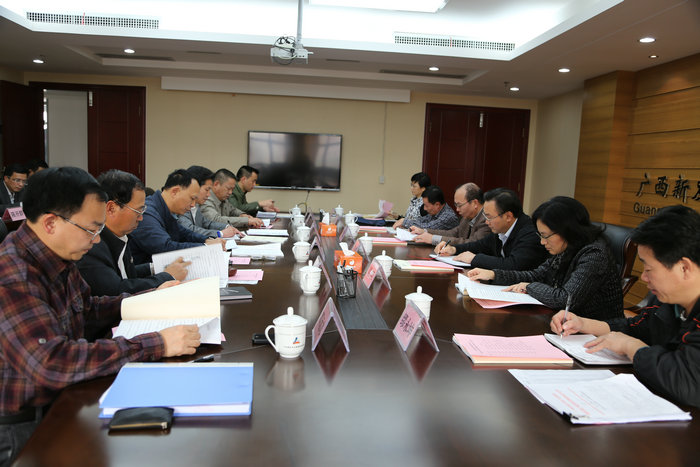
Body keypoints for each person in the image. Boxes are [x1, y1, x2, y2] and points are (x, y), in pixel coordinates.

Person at [0, 167, 200, 465]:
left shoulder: (57, 255)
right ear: (51, 223)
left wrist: (150, 300)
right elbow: (53, 362)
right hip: (25, 426)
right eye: (91, 229)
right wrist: (158, 343)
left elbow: (88, 308)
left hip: (64, 398)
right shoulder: (13, 276)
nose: (96, 240)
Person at [551, 205, 700, 408]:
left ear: (684, 268)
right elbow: (639, 327)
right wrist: (583, 324)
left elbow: (688, 382)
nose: (644, 277)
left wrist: (631, 347)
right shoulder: (668, 299)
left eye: (649, 269)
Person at [468, 196, 623, 321]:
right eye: (540, 235)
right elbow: (536, 275)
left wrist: (529, 287)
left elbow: (565, 299)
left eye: (545, 236)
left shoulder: (594, 254)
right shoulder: (567, 247)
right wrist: (494, 275)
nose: (542, 242)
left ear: (567, 230)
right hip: (563, 324)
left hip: (594, 335)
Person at [77, 169, 190, 297]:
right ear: (111, 208)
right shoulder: (92, 245)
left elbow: (126, 274)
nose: (141, 218)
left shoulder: (120, 235)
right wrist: (167, 276)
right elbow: (117, 289)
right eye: (138, 211)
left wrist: (155, 267)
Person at [437, 188, 547, 270]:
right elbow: (479, 245)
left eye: (489, 217)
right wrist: (454, 249)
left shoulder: (530, 233)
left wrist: (475, 259)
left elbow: (514, 264)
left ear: (508, 216)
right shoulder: (500, 230)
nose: (486, 222)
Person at [129, 169, 225, 263]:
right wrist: (206, 247)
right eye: (192, 199)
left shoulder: (165, 209)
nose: (193, 205)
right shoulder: (148, 213)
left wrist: (207, 240)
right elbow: (165, 248)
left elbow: (185, 234)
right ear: (175, 192)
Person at [411, 182, 490, 246]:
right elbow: (452, 233)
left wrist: (433, 239)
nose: (457, 209)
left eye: (459, 205)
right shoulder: (467, 216)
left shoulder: (487, 219)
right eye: (456, 205)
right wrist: (424, 231)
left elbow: (472, 244)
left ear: (474, 203)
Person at [177, 166, 240, 238]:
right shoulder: (182, 205)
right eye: (207, 190)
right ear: (195, 186)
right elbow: (190, 230)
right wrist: (220, 233)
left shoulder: (196, 205)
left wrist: (227, 227)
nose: (208, 194)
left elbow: (207, 223)